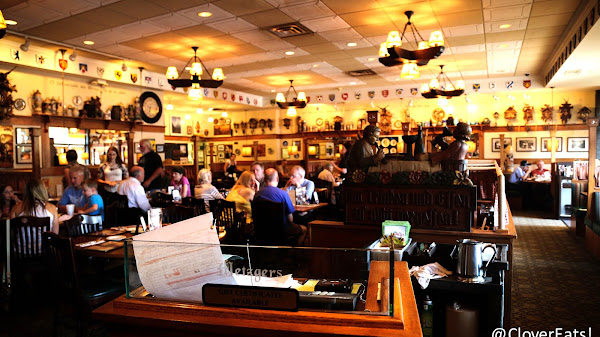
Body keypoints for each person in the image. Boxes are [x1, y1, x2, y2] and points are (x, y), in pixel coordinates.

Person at [255, 168, 306, 246]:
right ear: (277, 179)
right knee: (304, 229)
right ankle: (294, 254)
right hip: (281, 230)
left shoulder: (257, 194)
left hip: (261, 230)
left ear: (264, 179)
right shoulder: (283, 194)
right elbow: (290, 219)